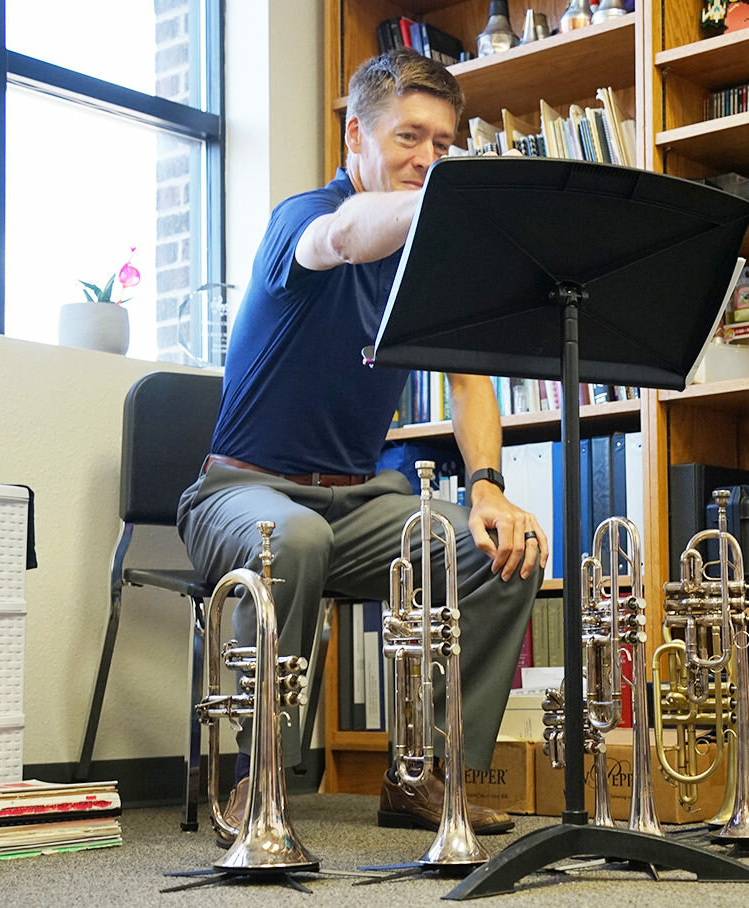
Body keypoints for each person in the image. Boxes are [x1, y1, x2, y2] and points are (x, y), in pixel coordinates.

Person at [177, 48, 548, 843]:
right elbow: (343, 237)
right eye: (411, 137)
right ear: (357, 136)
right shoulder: (302, 219)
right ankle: (258, 781)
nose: (429, 159)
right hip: (239, 493)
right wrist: (452, 205)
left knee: (498, 548)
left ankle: (422, 774)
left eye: (445, 146)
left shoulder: (431, 258)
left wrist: (486, 485)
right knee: (296, 537)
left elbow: (470, 383)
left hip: (355, 500)